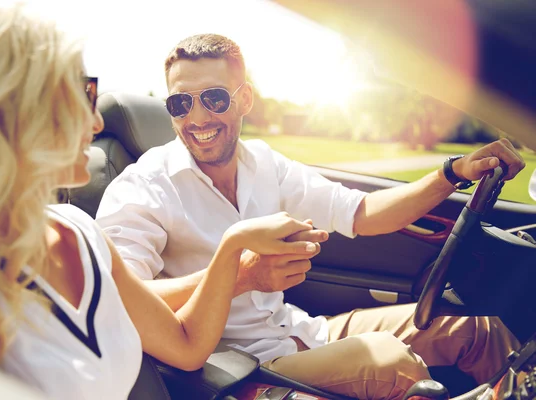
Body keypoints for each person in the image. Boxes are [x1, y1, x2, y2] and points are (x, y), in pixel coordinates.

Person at [96, 33, 526, 400]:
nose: (197, 117)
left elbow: (362, 212)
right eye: (179, 103)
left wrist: (451, 173)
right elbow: (119, 302)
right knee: (393, 364)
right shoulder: (143, 188)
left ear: (244, 98)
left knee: (475, 327)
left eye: (213, 98)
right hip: (242, 366)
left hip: (304, 332)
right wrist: (239, 277)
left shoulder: (263, 162)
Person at [0, 9, 323, 400]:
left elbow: (187, 348)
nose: (97, 123)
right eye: (81, 93)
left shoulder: (80, 233)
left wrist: (233, 246)